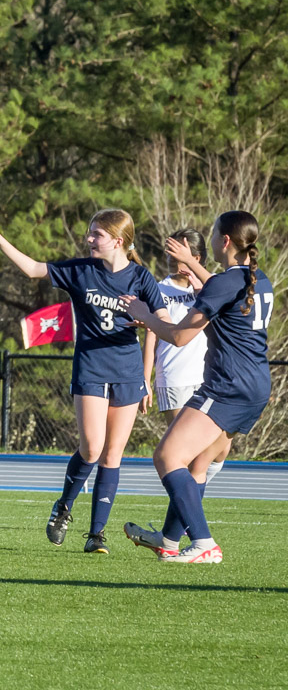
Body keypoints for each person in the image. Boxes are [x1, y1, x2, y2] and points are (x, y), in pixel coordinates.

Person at [0, 202, 168, 554]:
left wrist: (147, 357)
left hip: (127, 372)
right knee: (92, 448)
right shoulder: (82, 270)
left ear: (117, 240)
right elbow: (35, 269)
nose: (88, 239)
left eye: (96, 234)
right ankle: (64, 506)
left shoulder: (141, 278)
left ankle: (97, 534)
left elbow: (162, 321)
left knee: (113, 454)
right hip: (92, 367)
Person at [121, 210, 273, 563]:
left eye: (214, 231)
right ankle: (169, 540)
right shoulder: (258, 279)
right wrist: (191, 262)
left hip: (226, 387)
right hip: (256, 387)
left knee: (167, 456)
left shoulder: (225, 283)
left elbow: (178, 336)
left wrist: (144, 315)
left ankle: (204, 544)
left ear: (224, 241)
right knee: (197, 466)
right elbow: (223, 288)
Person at [136, 229, 230, 553]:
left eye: (182, 256)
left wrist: (198, 284)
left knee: (215, 455)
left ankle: (170, 537)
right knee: (189, 460)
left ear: (198, 257)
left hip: (209, 381)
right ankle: (193, 538)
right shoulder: (159, 289)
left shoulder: (212, 288)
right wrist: (144, 378)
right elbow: (152, 335)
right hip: (173, 378)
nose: (176, 263)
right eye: (171, 257)